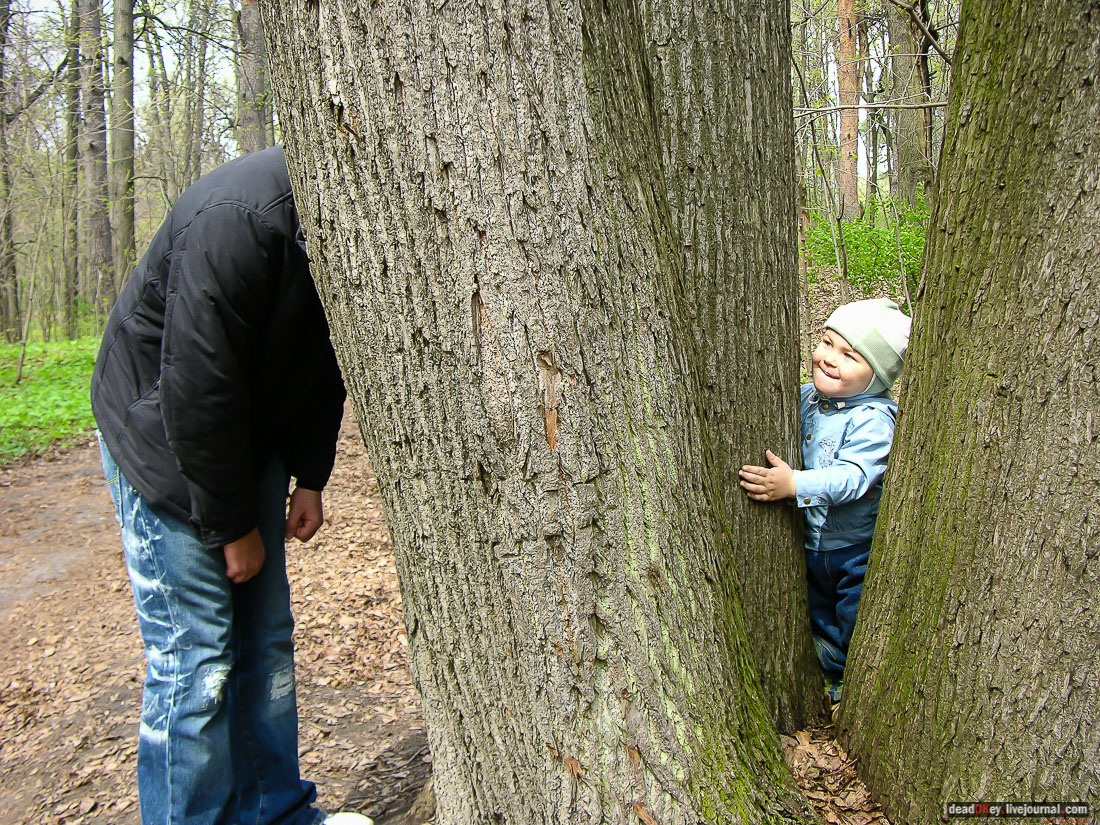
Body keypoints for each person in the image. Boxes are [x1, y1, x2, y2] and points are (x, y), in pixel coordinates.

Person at [91, 147, 371, 825]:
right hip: (162, 436)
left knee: (265, 638)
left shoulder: (347, 226)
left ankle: (278, 811)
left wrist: (310, 475)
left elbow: (321, 358)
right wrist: (233, 526)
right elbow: (194, 389)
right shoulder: (237, 221)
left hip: (247, 431)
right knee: (199, 656)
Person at [738, 298, 910, 703]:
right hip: (811, 543)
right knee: (815, 613)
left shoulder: (873, 418)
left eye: (850, 355)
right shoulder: (807, 398)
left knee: (854, 617)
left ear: (877, 376)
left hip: (854, 548)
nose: (829, 359)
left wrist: (794, 484)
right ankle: (829, 667)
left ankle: (850, 682)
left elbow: (856, 477)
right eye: (827, 343)